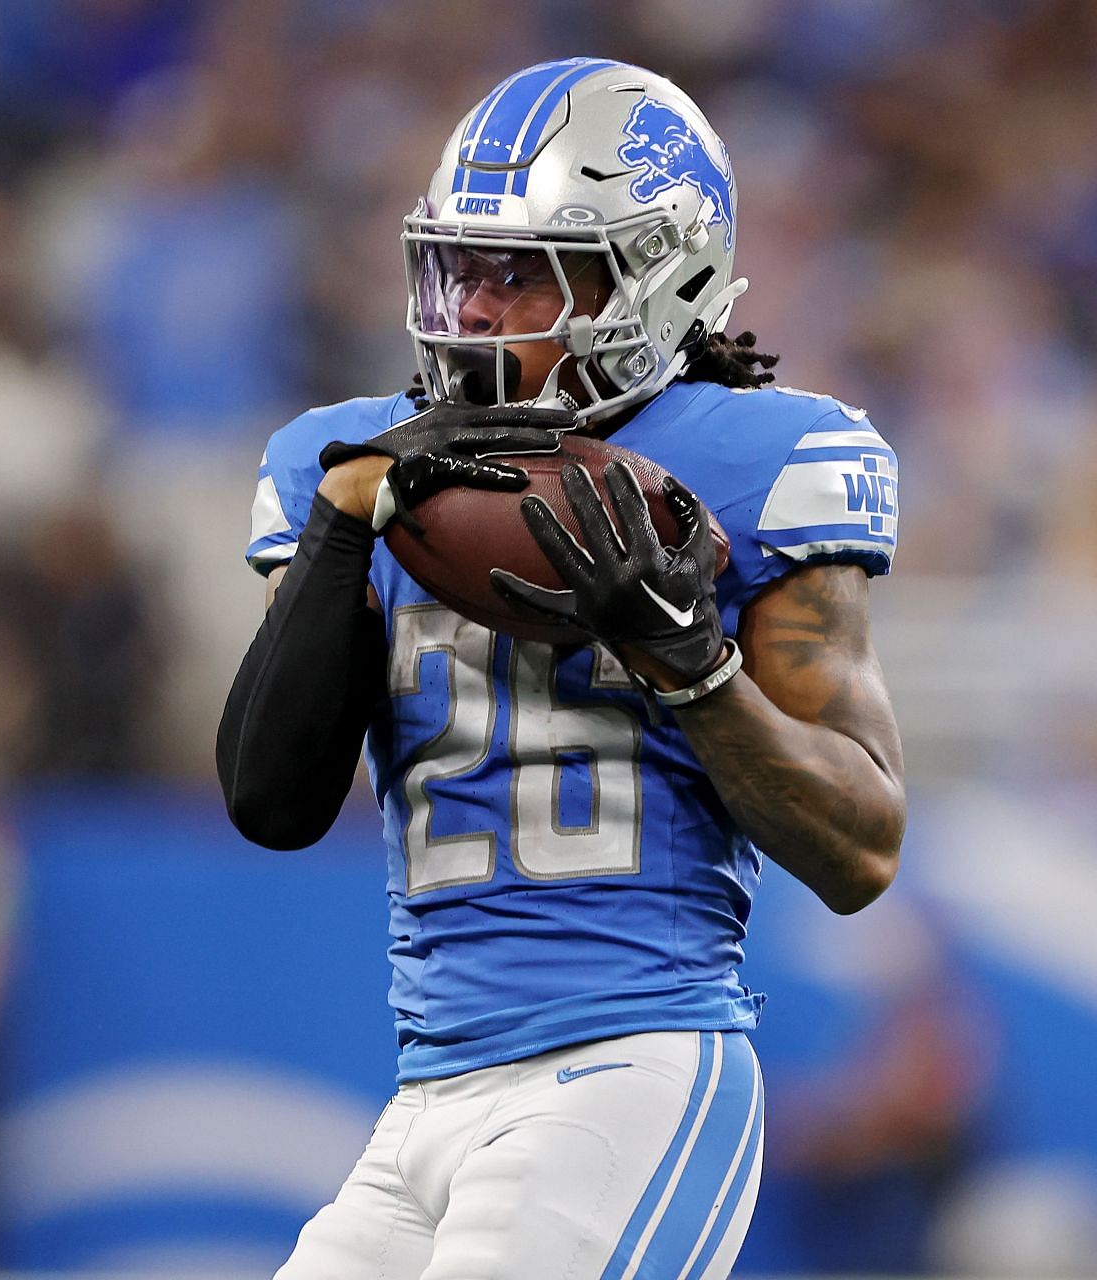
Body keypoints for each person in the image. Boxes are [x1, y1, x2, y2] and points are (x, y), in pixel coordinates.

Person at [218, 57, 904, 1280]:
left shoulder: (761, 458)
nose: (474, 311)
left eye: (523, 272)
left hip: (634, 1064)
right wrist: (341, 525)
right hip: (426, 1091)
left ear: (658, 277)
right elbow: (272, 801)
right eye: (460, 267)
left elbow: (861, 846)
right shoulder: (352, 463)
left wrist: (691, 662)